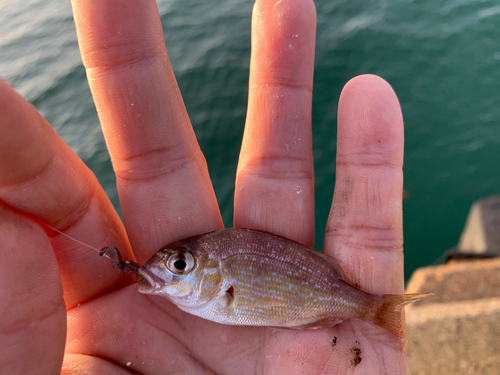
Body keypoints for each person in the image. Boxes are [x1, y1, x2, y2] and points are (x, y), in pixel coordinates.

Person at [0, 0, 409, 373]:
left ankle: (378, 310)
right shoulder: (212, 295)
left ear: (217, 274)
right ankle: (378, 310)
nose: (168, 271)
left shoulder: (223, 293)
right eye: (178, 265)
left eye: (180, 266)